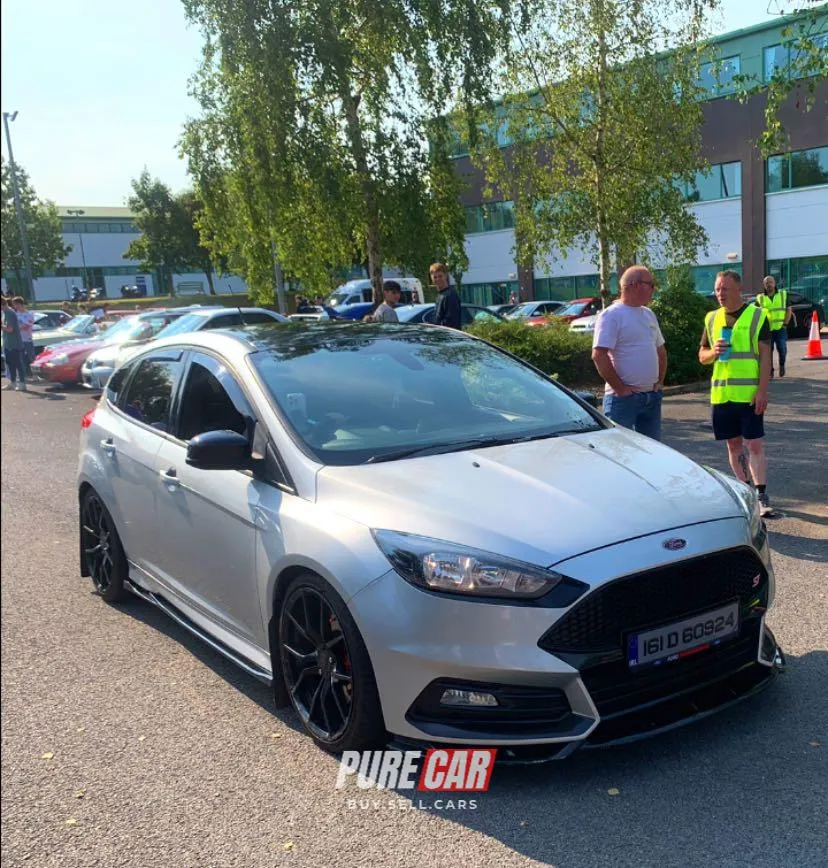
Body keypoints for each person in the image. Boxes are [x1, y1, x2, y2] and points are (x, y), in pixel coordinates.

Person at [699, 270, 773, 517]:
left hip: (749, 394)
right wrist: (713, 352)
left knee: (754, 444)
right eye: (717, 289)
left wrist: (762, 390)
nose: (720, 293)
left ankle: (762, 494)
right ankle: (747, 491)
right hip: (722, 395)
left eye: (725, 288)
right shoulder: (711, 318)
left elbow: (765, 356)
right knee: (733, 445)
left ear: (738, 289)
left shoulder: (757, 316)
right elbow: (702, 356)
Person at [591, 266, 667, 440]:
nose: (653, 289)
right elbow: (599, 355)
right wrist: (621, 389)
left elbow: (661, 351)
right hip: (622, 401)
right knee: (620, 453)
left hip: (651, 398)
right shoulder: (611, 315)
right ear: (634, 285)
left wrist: (660, 382)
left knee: (652, 453)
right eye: (650, 284)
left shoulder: (648, 314)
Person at [754, 275, 792, 378]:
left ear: (775, 283)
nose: (769, 284)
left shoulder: (783, 295)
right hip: (766, 330)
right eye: (766, 283)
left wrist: (785, 324)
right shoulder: (760, 298)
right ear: (764, 285)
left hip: (780, 328)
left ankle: (782, 365)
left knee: (782, 348)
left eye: (770, 282)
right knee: (767, 352)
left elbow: (789, 310)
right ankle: (770, 371)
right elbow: (755, 314)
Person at [2, 297, 26, 391]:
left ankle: (22, 383)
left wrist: (1, 326)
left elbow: (10, 329)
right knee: (10, 364)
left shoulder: (10, 313)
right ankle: (13, 382)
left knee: (17, 364)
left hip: (14, 344)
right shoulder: (4, 313)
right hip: (7, 344)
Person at [430, 262, 461, 329]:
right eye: (435, 277)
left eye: (440, 276)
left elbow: (450, 322)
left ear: (446, 275)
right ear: (431, 278)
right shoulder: (441, 295)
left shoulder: (450, 295)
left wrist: (435, 328)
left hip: (449, 337)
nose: (438, 279)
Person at [13, 298, 35, 377]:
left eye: (16, 304)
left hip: (27, 339)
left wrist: (15, 329)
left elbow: (26, 327)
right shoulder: (16, 314)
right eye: (14, 305)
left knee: (31, 357)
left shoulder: (29, 314)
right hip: (19, 339)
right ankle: (23, 375)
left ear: (20, 304)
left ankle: (36, 374)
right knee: (20, 358)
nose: (15, 306)